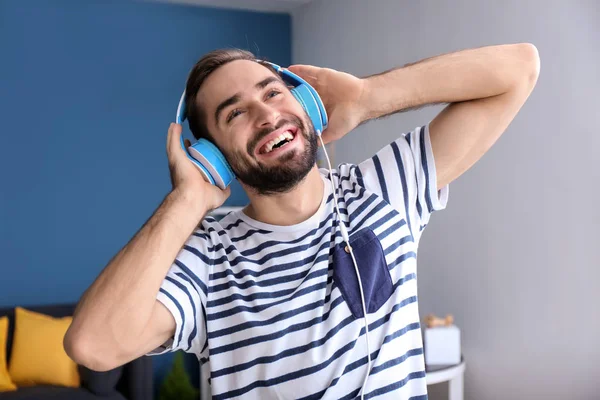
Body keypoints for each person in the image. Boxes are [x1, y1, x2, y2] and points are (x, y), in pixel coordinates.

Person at [64, 43, 540, 399]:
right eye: (236, 114)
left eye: (273, 92)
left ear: (308, 106)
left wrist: (367, 96)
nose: (268, 114)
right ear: (214, 157)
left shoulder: (383, 190)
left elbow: (519, 69)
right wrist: (187, 200)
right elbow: (93, 345)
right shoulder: (209, 255)